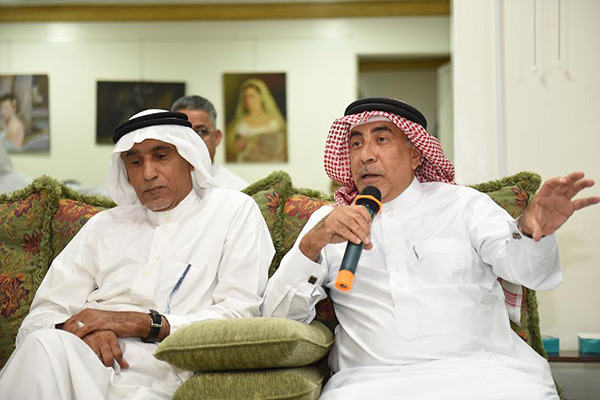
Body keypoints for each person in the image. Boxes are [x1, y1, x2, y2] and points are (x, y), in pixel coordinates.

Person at [262, 97, 600, 400]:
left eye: (382, 139)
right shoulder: (329, 222)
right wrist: (311, 245)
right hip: (369, 383)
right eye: (356, 143)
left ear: (415, 154)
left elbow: (530, 273)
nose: (366, 155)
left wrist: (530, 230)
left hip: (487, 376)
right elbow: (277, 320)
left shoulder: (463, 205)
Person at [0, 109, 275, 399]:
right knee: (41, 346)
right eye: (135, 162)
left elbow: (240, 316)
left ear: (189, 159)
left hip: (168, 369)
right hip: (84, 359)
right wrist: (81, 330)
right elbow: (41, 315)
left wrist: (142, 323)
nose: (148, 174)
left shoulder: (232, 211)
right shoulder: (104, 226)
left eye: (161, 156)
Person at [171, 95, 249, 190]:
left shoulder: (240, 190)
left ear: (217, 137)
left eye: (201, 131)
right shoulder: (159, 186)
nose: (193, 139)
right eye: (184, 132)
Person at [225, 78, 287, 163]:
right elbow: (231, 149)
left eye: (252, 96)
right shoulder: (239, 123)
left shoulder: (274, 122)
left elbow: (279, 150)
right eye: (245, 96)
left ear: (261, 97)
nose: (248, 100)